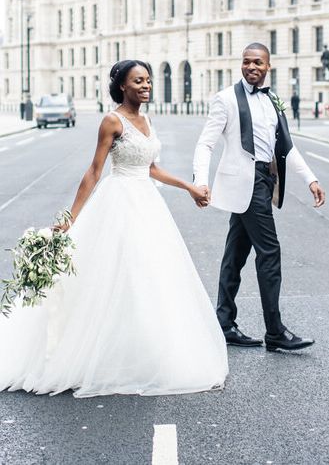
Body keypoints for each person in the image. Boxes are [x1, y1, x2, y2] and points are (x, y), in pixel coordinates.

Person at [0, 60, 227, 398]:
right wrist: (70, 218)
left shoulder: (148, 119)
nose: (146, 85)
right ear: (122, 85)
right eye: (139, 81)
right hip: (119, 203)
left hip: (148, 204)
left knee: (150, 278)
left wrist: (190, 187)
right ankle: (96, 355)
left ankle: (143, 353)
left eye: (148, 80)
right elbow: (94, 171)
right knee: (116, 277)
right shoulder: (112, 121)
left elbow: (151, 168)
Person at [193, 43, 325, 352]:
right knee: (270, 252)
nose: (252, 67)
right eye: (247, 62)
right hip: (247, 181)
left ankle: (224, 323)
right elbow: (205, 144)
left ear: (268, 67)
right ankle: (275, 331)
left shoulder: (273, 100)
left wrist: (311, 179)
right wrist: (200, 181)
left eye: (258, 63)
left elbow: (286, 147)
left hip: (265, 181)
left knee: (235, 254)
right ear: (241, 65)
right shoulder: (225, 100)